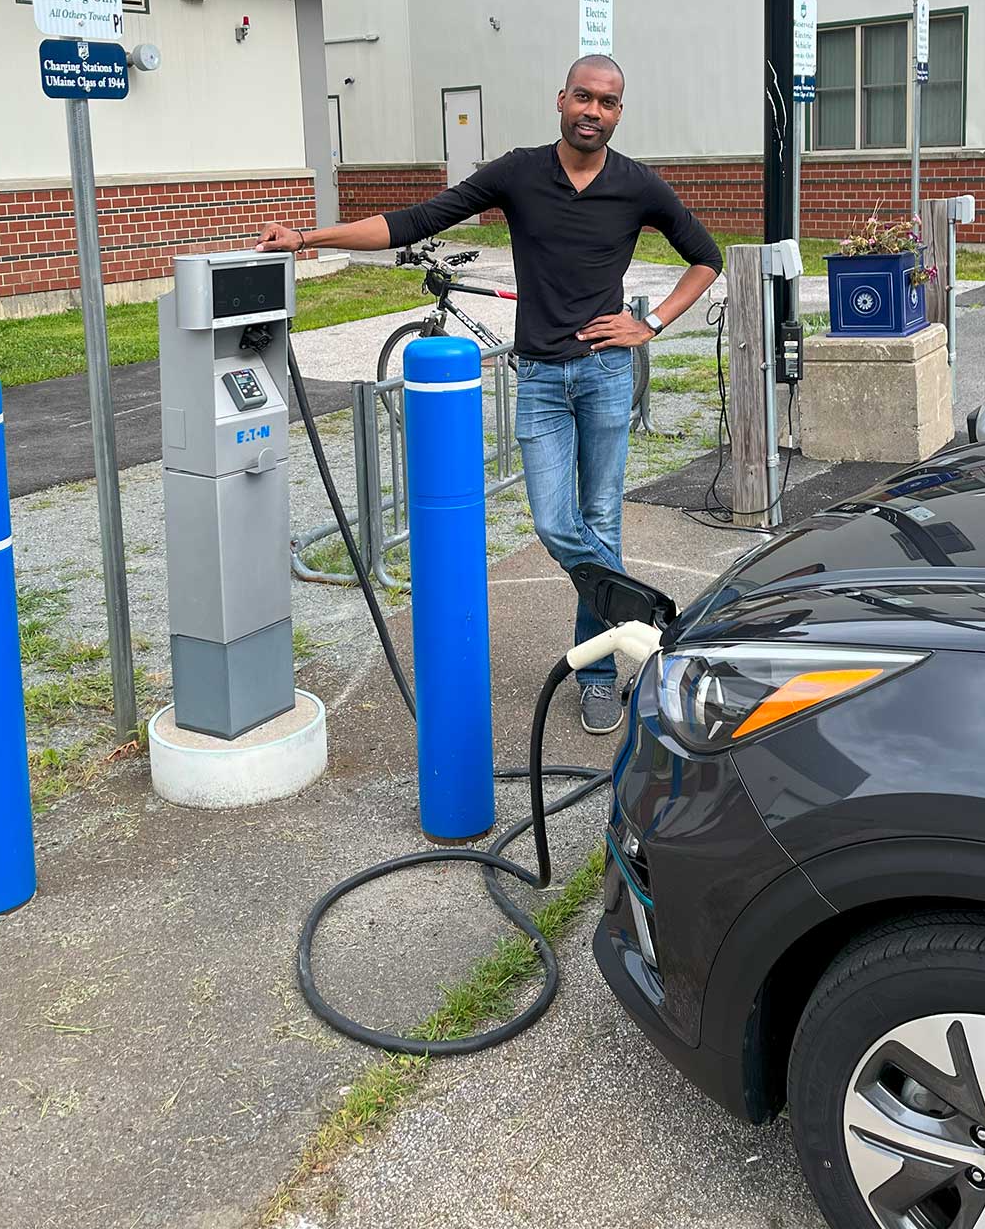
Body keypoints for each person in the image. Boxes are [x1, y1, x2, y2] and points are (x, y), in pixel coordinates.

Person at [256, 55, 722, 735]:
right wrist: (306, 237)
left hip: (605, 375)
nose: (593, 111)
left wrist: (648, 323)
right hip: (538, 378)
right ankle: (638, 614)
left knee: (602, 519)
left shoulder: (638, 185)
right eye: (583, 97)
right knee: (556, 524)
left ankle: (599, 671)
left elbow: (707, 256)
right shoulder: (518, 172)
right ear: (561, 99)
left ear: (620, 112)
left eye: (608, 102)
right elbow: (415, 220)